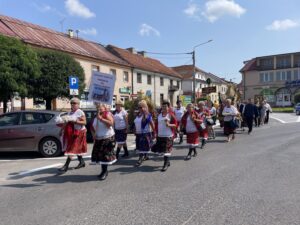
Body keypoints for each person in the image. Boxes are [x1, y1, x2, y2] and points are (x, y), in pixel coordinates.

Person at [58, 97, 87, 172]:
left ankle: (66, 166)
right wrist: (61, 130)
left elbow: (84, 122)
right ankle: (82, 162)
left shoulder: (80, 112)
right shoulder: (70, 112)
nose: (72, 105)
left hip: (80, 132)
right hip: (73, 132)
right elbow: (66, 122)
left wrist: (75, 121)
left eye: (74, 103)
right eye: (71, 103)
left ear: (78, 104)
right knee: (76, 147)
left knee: (73, 148)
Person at [91, 104, 116, 180]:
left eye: (100, 107)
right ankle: (103, 171)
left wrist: (101, 119)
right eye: (98, 107)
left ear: (104, 108)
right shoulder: (96, 116)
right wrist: (93, 135)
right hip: (99, 138)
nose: (99, 109)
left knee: (105, 156)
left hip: (107, 137)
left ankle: (105, 171)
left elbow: (111, 123)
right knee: (100, 156)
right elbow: (92, 127)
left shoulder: (107, 114)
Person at [152, 100, 177, 172]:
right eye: (163, 106)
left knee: (167, 151)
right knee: (162, 151)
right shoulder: (159, 115)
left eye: (166, 106)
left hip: (168, 136)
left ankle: (165, 164)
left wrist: (169, 125)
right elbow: (156, 125)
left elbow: (176, 125)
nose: (164, 107)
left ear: (168, 107)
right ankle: (167, 161)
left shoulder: (171, 115)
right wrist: (155, 133)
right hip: (160, 136)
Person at [134, 100, 155, 167]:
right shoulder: (137, 115)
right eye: (140, 107)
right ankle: (145, 156)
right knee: (141, 147)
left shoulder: (147, 115)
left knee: (142, 147)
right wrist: (134, 130)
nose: (141, 108)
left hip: (145, 134)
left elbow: (152, 124)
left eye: (142, 107)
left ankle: (140, 159)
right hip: (138, 134)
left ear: (145, 107)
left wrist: (154, 133)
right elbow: (136, 123)